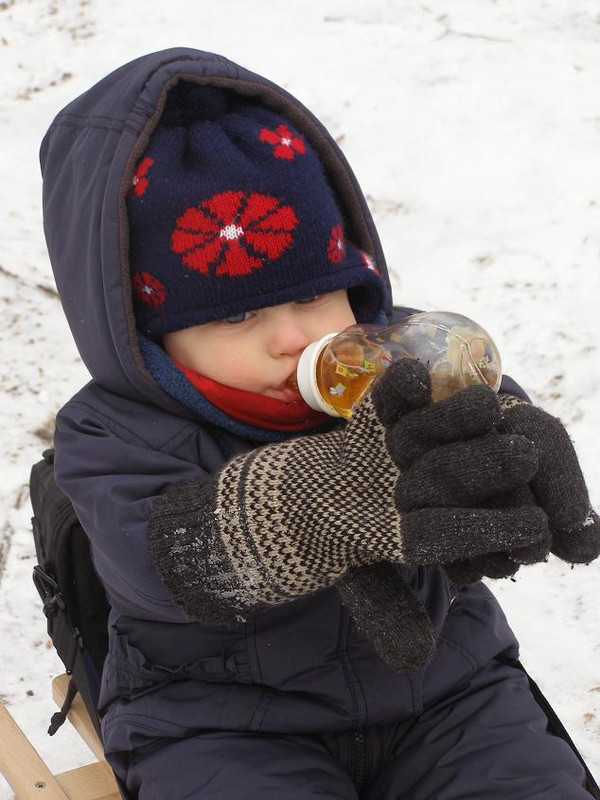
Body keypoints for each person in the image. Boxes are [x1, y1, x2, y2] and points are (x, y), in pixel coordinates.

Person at [41, 47, 600, 799]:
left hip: (451, 694)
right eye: (238, 313)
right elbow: (169, 562)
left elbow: (474, 427)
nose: (293, 338)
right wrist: (327, 497)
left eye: (317, 296)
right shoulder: (111, 432)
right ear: (144, 332)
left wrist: (504, 447)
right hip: (221, 726)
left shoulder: (395, 369)